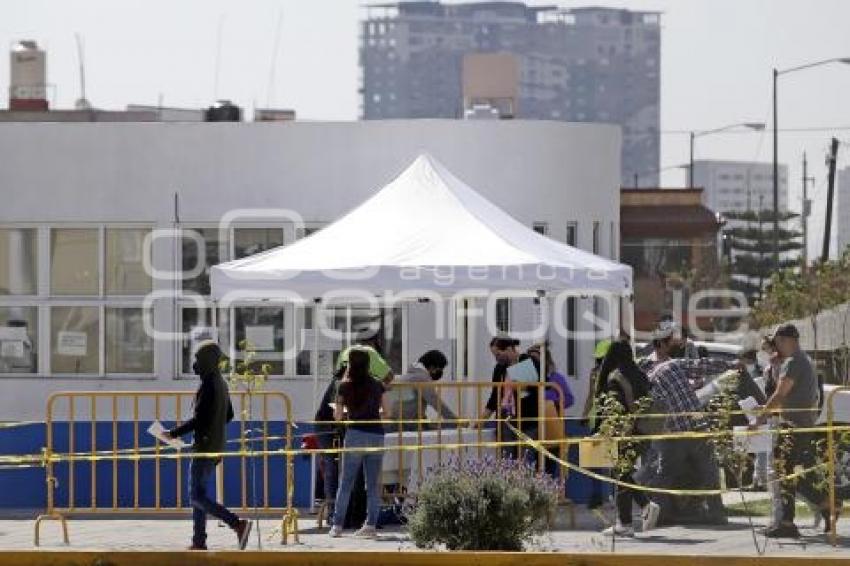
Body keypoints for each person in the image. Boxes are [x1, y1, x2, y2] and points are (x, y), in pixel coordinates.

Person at [167, 341, 252, 551]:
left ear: (206, 360)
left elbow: (199, 420)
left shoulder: (208, 385)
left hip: (204, 447)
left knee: (196, 496)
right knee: (200, 494)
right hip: (215, 446)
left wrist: (172, 433)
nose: (195, 364)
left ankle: (237, 523)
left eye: (197, 359)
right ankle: (199, 541)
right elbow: (229, 415)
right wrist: (214, 428)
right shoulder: (220, 383)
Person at [756, 324, 832, 538]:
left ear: (787, 339)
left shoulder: (794, 361)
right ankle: (823, 506)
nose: (776, 346)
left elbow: (780, 394)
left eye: (778, 341)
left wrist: (760, 417)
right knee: (793, 474)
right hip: (797, 425)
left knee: (785, 472)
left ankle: (790, 522)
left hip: (793, 427)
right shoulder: (799, 360)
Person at [646, 359, 726, 525]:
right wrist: (730, 365)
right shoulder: (671, 365)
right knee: (710, 472)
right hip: (698, 427)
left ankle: (658, 514)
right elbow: (701, 366)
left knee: (665, 475)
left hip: (674, 433)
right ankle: (717, 513)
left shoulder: (649, 380)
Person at [596, 339, 661, 536]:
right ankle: (627, 521)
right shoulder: (640, 374)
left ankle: (641, 509)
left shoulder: (616, 377)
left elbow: (614, 406)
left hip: (626, 432)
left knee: (620, 473)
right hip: (645, 430)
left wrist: (608, 430)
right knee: (622, 473)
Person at [330, 349, 389, 539]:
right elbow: (387, 412)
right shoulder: (378, 385)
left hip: (355, 434)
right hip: (376, 435)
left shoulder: (343, 387)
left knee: (345, 483)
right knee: (372, 484)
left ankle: (337, 526)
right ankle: (370, 525)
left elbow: (338, 417)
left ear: (350, 365)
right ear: (368, 364)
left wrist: (347, 413)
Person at [386, 349, 457, 431]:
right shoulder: (422, 378)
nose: (440, 373)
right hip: (406, 424)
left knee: (434, 426)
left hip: (398, 421)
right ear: (432, 367)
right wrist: (454, 420)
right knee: (442, 431)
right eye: (439, 369)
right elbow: (434, 400)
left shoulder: (411, 375)